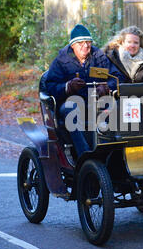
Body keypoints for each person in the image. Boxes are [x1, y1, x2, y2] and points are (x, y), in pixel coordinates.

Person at [45, 24, 125, 159]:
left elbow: (117, 78)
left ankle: (110, 154)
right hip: (70, 102)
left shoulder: (99, 57)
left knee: (116, 107)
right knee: (73, 109)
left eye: (88, 42)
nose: (86, 46)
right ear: (72, 45)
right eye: (80, 43)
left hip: (96, 101)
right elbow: (50, 86)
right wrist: (67, 87)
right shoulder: (61, 60)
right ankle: (84, 156)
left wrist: (106, 87)